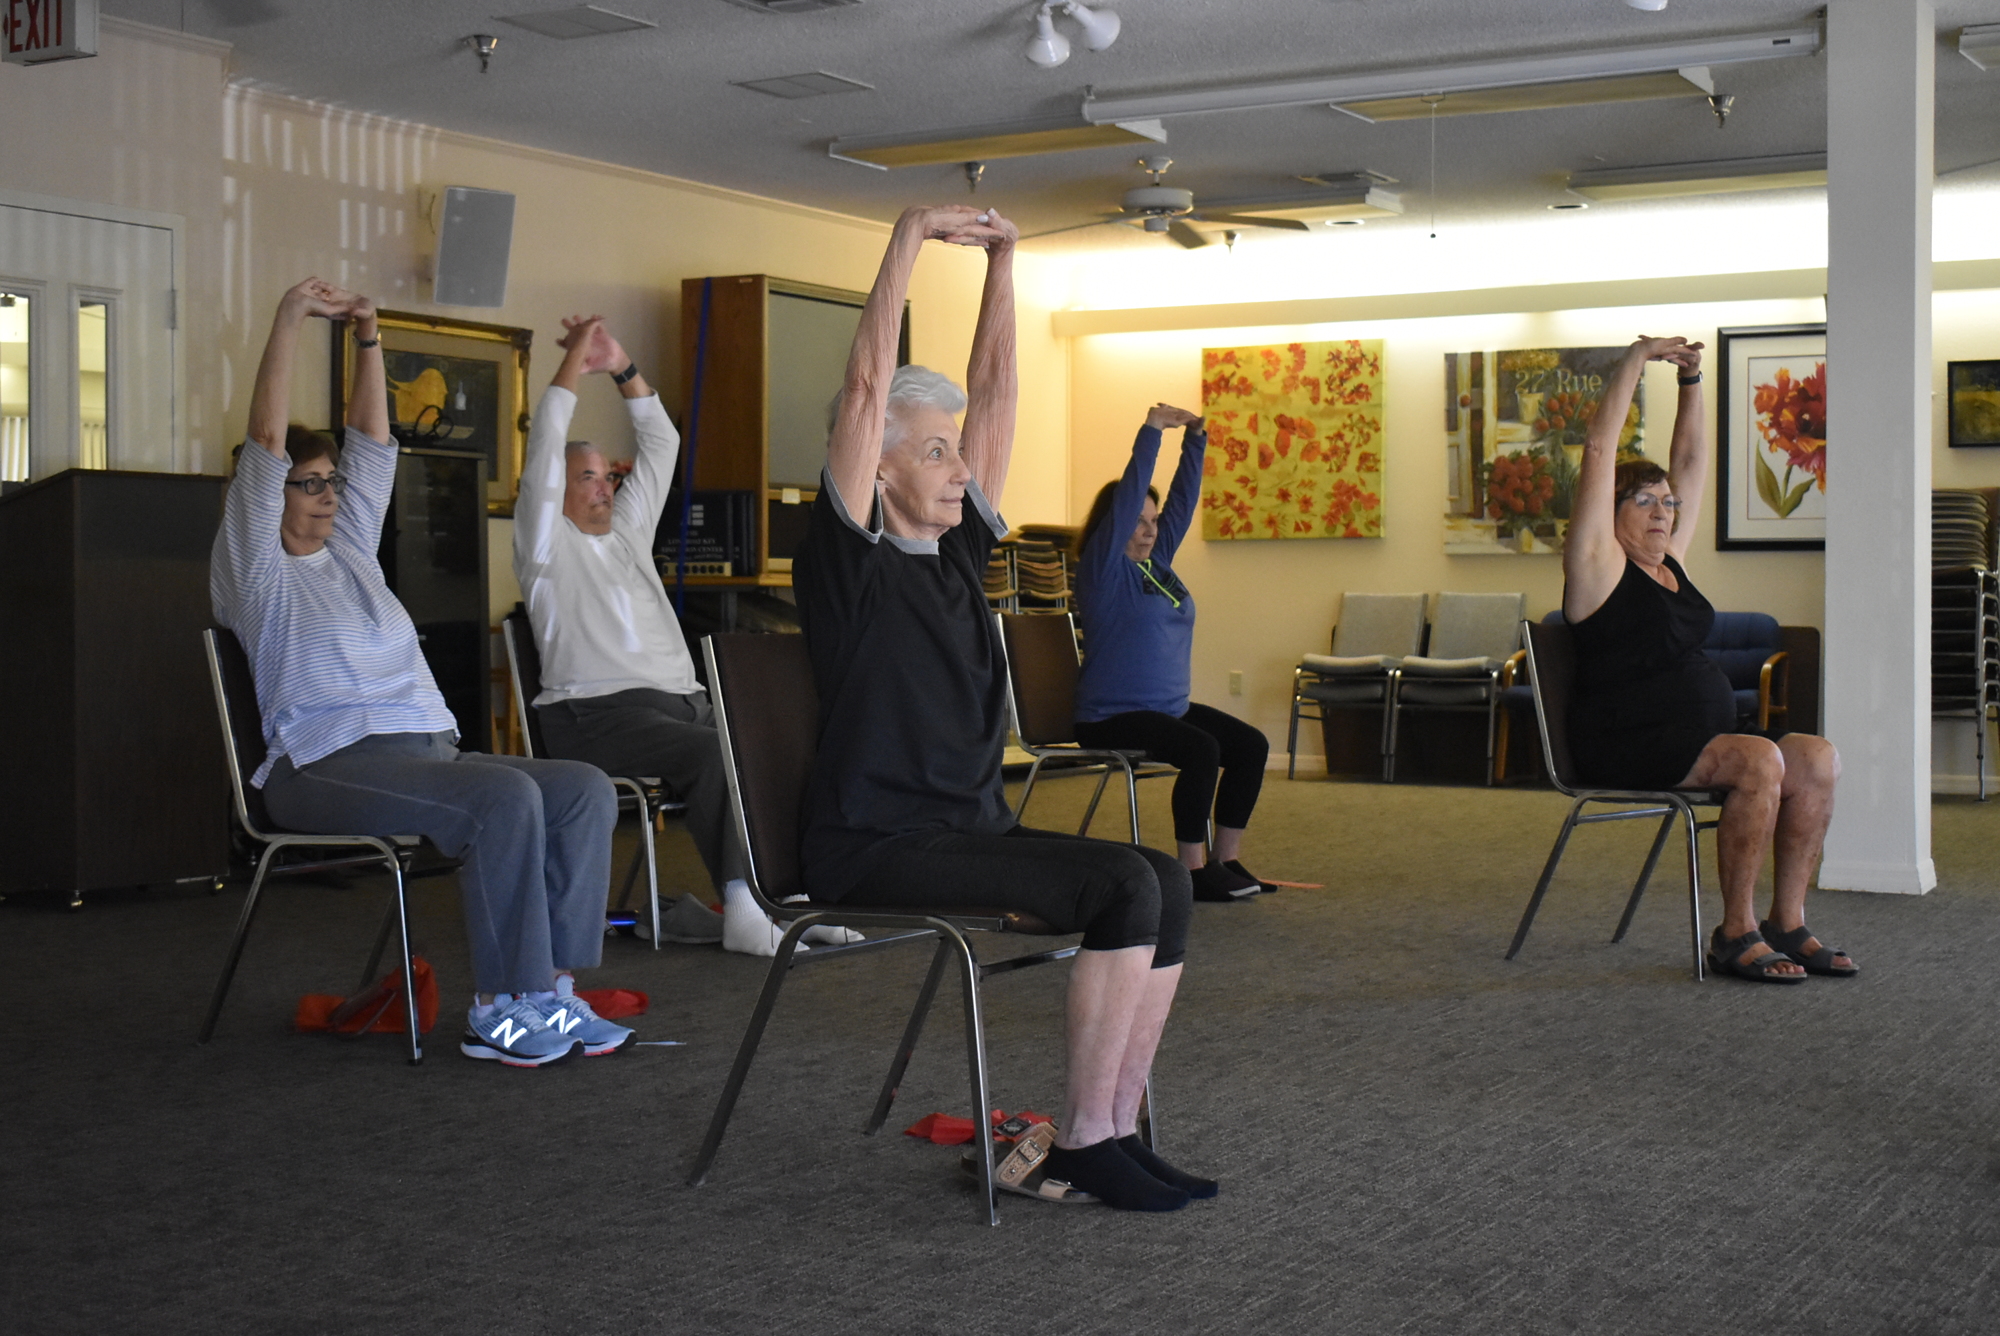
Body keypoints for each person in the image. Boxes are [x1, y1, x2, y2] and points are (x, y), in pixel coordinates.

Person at [793, 203, 1211, 1212]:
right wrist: (904, 238)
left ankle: (1104, 1130)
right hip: (874, 842)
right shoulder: (843, 564)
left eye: (954, 451)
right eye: (932, 452)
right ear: (876, 467)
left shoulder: (957, 551)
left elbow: (995, 395)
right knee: (1121, 887)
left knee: (1162, 878)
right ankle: (1082, 1139)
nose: (959, 466)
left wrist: (1004, 264)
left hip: (965, 824)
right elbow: (859, 389)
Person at [212, 277, 633, 1067]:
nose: (327, 494)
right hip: (323, 764)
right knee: (504, 799)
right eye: (307, 483)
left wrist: (372, 338)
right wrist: (289, 317)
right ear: (264, 497)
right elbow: (266, 441)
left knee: (580, 788)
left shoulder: (351, 553)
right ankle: (501, 1009)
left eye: (329, 481)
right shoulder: (254, 570)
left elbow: (375, 444)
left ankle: (552, 989)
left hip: (428, 758)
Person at [511, 314, 857, 957]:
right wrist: (573, 364)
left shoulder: (628, 534)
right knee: (713, 757)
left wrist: (621, 366)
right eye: (584, 477)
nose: (603, 487)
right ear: (555, 491)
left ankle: (797, 902)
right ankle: (746, 911)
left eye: (604, 475)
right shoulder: (544, 548)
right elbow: (544, 449)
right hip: (595, 714)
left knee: (783, 751)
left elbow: (662, 443)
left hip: (683, 702)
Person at [1562, 335, 1856, 983]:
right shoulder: (1598, 567)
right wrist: (1637, 362)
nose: (1663, 511)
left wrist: (1692, 381)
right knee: (1758, 759)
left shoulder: (1669, 562)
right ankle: (1735, 931)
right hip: (1624, 741)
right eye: (1643, 501)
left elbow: (1692, 461)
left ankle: (1787, 920)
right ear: (1607, 513)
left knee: (1815, 757)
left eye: (1667, 503)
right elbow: (1599, 449)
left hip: (1694, 737)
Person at [1073, 406, 1272, 901]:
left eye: (1153, 520)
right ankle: (1193, 871)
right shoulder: (1102, 571)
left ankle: (1228, 860)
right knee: (1201, 749)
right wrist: (1152, 432)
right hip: (1111, 716)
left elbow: (1182, 501)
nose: (1148, 529)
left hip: (1168, 711)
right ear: (1114, 526)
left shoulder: (1158, 566)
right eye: (1137, 521)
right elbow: (1129, 500)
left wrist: (1197, 440)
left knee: (1250, 745)